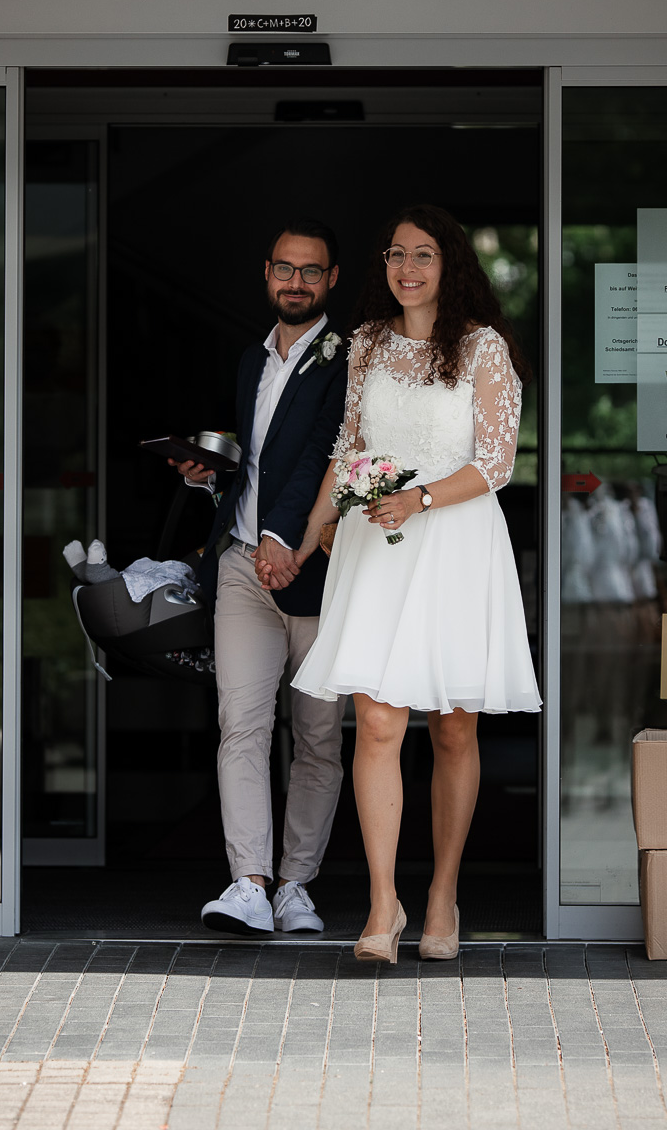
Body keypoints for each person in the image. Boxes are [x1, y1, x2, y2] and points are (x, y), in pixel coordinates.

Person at [285, 204, 543, 965]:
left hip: (455, 544)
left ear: (450, 265)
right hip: (377, 547)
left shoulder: (483, 349)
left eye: (423, 256)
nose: (407, 269)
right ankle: (383, 903)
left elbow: (496, 463)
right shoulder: (363, 345)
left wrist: (421, 497)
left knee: (455, 727)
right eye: (396, 254)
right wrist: (302, 540)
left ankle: (442, 897)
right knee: (377, 723)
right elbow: (348, 449)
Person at [171, 220, 352, 936]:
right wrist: (208, 477)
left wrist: (285, 539)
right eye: (286, 268)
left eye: (312, 271)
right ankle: (248, 881)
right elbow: (260, 464)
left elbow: (320, 454)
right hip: (244, 567)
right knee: (240, 727)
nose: (297, 282)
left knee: (318, 738)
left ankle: (296, 886)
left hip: (316, 573)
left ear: (332, 279)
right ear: (267, 273)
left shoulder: (347, 360)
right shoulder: (252, 359)